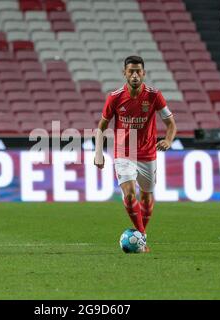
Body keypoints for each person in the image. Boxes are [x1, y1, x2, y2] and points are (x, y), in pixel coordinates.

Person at [93, 56, 177, 253]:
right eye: (131, 71)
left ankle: (141, 236)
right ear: (124, 73)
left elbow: (171, 124)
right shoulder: (115, 97)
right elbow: (101, 127)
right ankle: (141, 238)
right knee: (130, 195)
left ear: (144, 73)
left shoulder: (154, 96)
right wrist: (98, 153)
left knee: (146, 198)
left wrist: (168, 140)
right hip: (123, 152)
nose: (135, 75)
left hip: (148, 154)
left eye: (138, 71)